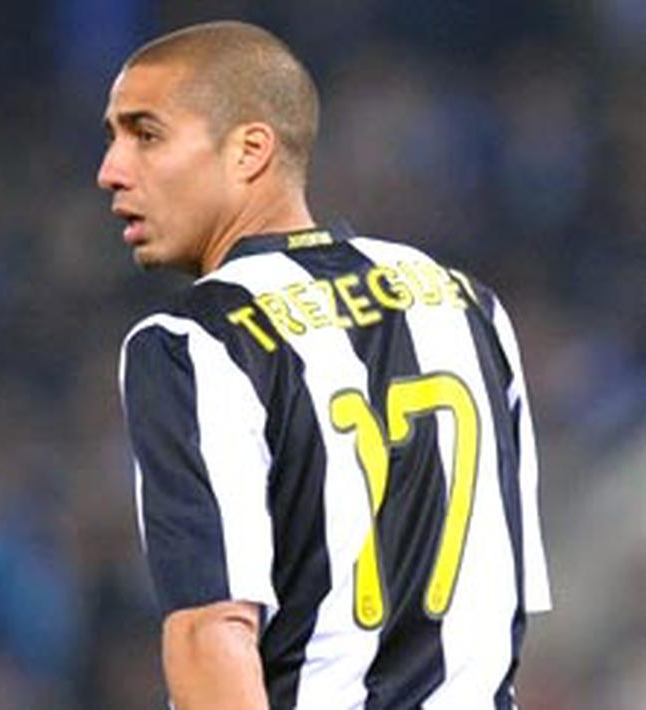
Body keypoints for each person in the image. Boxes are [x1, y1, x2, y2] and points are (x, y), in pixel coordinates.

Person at [99, 21, 551, 709]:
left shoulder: (194, 340)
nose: (111, 170)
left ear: (249, 150)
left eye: (146, 134)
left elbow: (210, 633)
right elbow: (507, 601)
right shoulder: (470, 305)